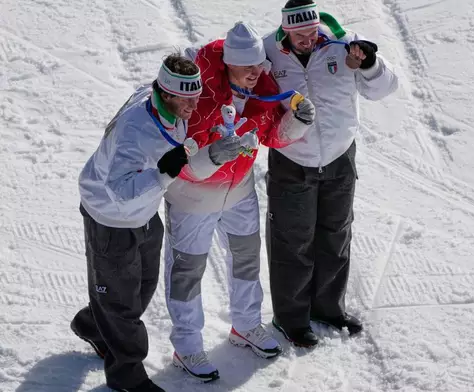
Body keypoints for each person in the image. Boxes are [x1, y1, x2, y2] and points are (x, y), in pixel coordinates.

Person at [162, 22, 316, 381]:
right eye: (247, 66)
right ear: (228, 62)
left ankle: (245, 325)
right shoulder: (196, 95)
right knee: (186, 273)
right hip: (192, 198)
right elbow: (179, 156)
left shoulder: (263, 87)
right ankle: (186, 347)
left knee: (246, 262)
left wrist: (298, 122)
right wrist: (213, 156)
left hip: (240, 192)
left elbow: (273, 136)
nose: (256, 72)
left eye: (259, 64)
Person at [262, 0, 399, 347]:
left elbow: (384, 88)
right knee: (292, 241)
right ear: (285, 31)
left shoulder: (344, 45)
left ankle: (328, 307)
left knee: (336, 234)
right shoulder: (267, 51)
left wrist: (369, 65)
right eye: (300, 36)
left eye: (312, 34)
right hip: (292, 158)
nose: (308, 41)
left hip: (339, 156)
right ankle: (290, 319)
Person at [70, 54, 204, 392]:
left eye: (196, 94)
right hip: (111, 217)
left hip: (143, 213)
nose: (193, 104)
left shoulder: (164, 99)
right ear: (167, 93)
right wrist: (164, 173)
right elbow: (118, 189)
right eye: (186, 98)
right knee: (120, 301)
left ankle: (94, 325)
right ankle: (127, 375)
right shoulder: (136, 128)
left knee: (142, 286)